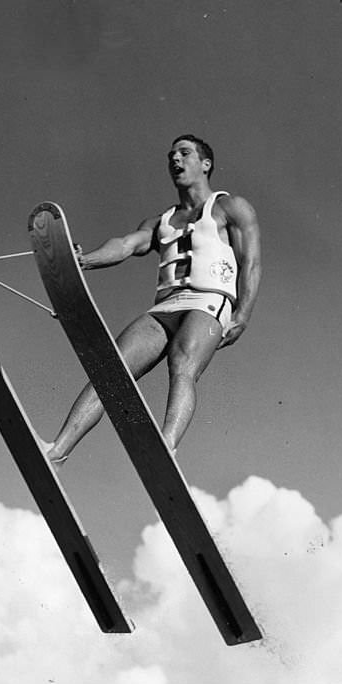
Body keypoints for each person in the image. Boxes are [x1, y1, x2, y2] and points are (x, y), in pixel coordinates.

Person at [45, 134, 261, 463]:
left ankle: (167, 445)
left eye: (184, 153)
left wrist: (242, 315)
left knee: (182, 365)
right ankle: (56, 452)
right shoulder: (160, 221)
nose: (175, 159)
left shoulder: (230, 207)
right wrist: (85, 260)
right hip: (165, 306)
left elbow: (252, 263)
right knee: (109, 372)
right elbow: (127, 245)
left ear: (206, 164)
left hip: (209, 301)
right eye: (171, 155)